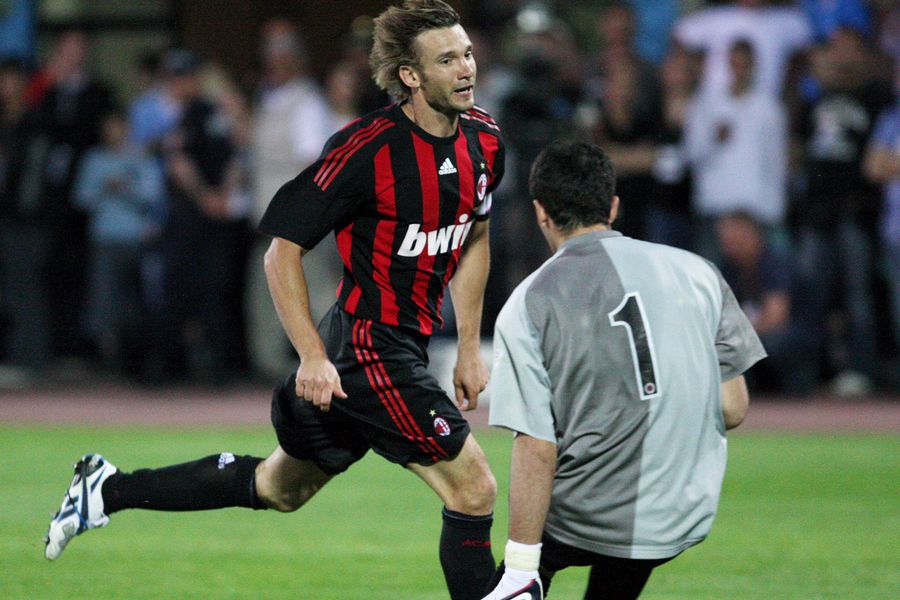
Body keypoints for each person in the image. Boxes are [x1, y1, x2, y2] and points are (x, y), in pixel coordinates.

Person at [44, 3, 505, 600]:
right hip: (368, 350)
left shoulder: (485, 140)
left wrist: (467, 347)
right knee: (474, 488)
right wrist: (311, 355)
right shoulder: (367, 149)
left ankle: (106, 489)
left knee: (278, 489)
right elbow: (280, 252)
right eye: (446, 59)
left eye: (466, 53)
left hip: (393, 353)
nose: (466, 68)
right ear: (410, 76)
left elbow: (474, 239)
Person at [482, 141, 765, 600]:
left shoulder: (531, 301)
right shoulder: (699, 272)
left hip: (589, 517)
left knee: (510, 569)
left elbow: (535, 445)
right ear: (613, 206)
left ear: (540, 213)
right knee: (625, 559)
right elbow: (733, 408)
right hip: (678, 515)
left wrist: (520, 565)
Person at [72, 111, 164, 372]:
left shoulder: (141, 159)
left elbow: (153, 196)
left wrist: (124, 187)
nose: (114, 133)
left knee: (137, 301)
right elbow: (81, 199)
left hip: (137, 239)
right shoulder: (94, 159)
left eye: (119, 127)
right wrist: (104, 186)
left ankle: (137, 354)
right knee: (103, 299)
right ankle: (107, 356)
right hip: (105, 238)